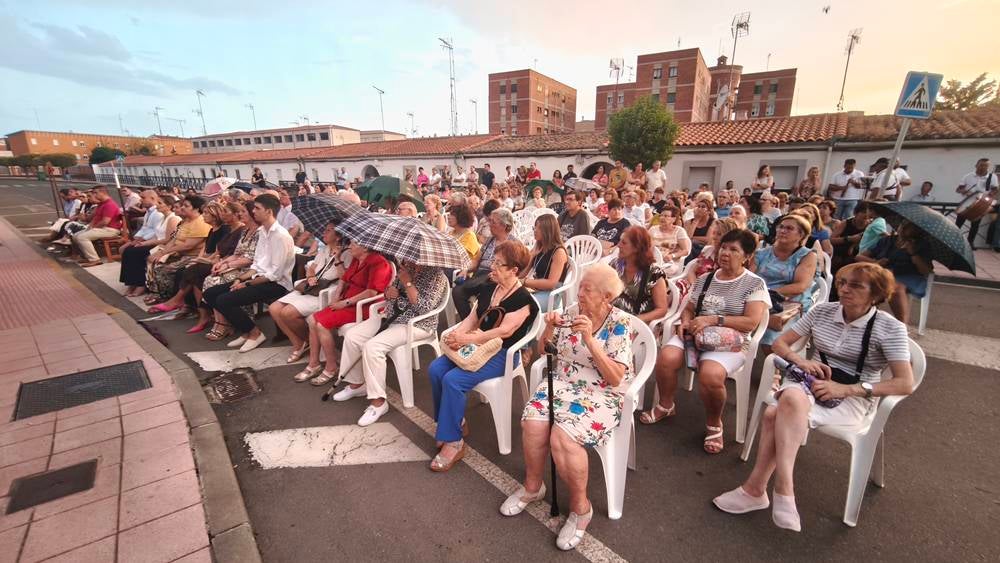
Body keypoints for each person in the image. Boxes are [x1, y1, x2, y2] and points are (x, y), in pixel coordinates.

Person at [713, 263, 913, 532]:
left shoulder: (890, 328)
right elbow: (781, 343)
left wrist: (847, 389)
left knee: (774, 413)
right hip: (809, 384)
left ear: (876, 295)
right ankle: (782, 489)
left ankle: (758, 489)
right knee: (791, 399)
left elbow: (905, 382)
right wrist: (800, 360)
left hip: (854, 398)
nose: (844, 289)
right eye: (842, 282)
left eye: (855, 285)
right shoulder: (823, 311)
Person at [502, 263, 633, 550]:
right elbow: (543, 350)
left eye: (588, 289)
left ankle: (581, 508)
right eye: (581, 285)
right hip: (563, 383)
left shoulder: (620, 323)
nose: (579, 292)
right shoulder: (572, 311)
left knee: (563, 437)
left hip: (600, 394)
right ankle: (533, 488)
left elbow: (614, 379)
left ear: (606, 297)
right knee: (533, 423)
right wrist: (548, 326)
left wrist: (589, 339)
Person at [643, 229, 771, 455]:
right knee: (666, 357)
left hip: (730, 342)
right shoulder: (706, 278)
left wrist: (714, 319)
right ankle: (666, 404)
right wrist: (684, 321)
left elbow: (751, 322)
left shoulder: (754, 284)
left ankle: (714, 423)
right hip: (697, 334)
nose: (725, 253)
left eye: (734, 250)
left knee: (710, 374)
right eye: (724, 247)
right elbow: (690, 308)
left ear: (747, 256)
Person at [429, 241, 539, 470]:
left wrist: (466, 339)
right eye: (494, 261)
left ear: (514, 270)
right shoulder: (491, 287)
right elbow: (472, 317)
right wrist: (457, 333)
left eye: (499, 264)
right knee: (436, 369)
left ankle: (454, 441)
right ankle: (454, 422)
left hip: (502, 354)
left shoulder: (524, 301)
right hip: (477, 346)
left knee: (453, 380)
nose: (493, 267)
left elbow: (503, 332)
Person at [333, 262, 449, 426]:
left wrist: (408, 283)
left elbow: (425, 308)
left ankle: (379, 403)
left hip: (416, 324)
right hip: (390, 317)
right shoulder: (406, 268)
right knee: (352, 336)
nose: (408, 258)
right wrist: (389, 292)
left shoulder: (436, 275)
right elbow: (388, 293)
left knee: (373, 347)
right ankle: (357, 383)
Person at [202, 194, 296, 353]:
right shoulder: (263, 232)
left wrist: (246, 283)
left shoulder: (280, 235)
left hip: (276, 284)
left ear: (269, 211)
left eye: (257, 208)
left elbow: (274, 274)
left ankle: (255, 333)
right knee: (211, 293)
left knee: (225, 300)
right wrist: (240, 279)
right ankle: (247, 331)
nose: (253, 211)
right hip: (258, 278)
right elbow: (257, 264)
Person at [296, 240, 392, 384]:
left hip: (364, 306)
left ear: (365, 246)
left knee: (321, 324)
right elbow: (344, 278)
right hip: (348, 301)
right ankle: (314, 363)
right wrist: (336, 296)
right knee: (311, 320)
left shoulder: (379, 263)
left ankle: (331, 367)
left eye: (353, 244)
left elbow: (372, 292)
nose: (350, 246)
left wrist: (345, 302)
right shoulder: (357, 259)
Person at [270, 223, 349, 362]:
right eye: (325, 229)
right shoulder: (324, 249)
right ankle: (299, 343)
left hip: (326, 291)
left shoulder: (347, 253)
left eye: (328, 231)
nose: (323, 233)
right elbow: (312, 267)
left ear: (338, 237)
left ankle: (313, 343)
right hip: (312, 287)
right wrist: (311, 276)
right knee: (274, 308)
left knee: (287, 313)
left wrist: (338, 258)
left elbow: (346, 279)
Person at [147, 201, 236, 314]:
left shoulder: (224, 229)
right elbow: (204, 246)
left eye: (206, 213)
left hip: (215, 260)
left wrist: (201, 259)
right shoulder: (207, 228)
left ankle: (185, 304)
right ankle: (185, 303)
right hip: (203, 258)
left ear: (214, 216)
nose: (203, 215)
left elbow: (218, 251)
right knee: (183, 270)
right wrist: (164, 252)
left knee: (187, 271)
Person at [754, 214, 818, 346]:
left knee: (770, 336)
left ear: (800, 235)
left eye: (789, 228)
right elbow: (749, 277)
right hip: (761, 300)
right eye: (781, 227)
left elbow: (800, 286)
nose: (783, 230)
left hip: (790, 302)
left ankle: (777, 363)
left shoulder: (807, 255)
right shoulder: (762, 253)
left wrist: (769, 293)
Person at [201, 202, 262, 341]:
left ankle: (223, 323)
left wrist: (228, 264)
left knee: (213, 281)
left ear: (252, 215)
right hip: (238, 265)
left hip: (250, 269)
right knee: (211, 278)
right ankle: (221, 321)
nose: (240, 214)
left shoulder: (259, 232)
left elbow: (250, 258)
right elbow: (237, 253)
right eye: (239, 211)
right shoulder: (246, 231)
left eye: (243, 212)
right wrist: (222, 263)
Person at [857, 222, 932, 324]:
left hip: (910, 276)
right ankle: (864, 319)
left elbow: (925, 271)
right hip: (885, 273)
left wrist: (913, 253)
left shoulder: (922, 245)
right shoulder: (887, 241)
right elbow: (859, 257)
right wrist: (876, 262)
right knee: (865, 284)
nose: (904, 228)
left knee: (896, 288)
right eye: (903, 224)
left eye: (909, 227)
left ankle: (902, 326)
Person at [145, 195, 211, 304]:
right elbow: (173, 239)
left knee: (165, 269)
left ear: (195, 208)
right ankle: (158, 293)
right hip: (178, 253)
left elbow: (188, 245)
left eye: (186, 206)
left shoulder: (200, 222)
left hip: (191, 255)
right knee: (153, 261)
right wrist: (162, 253)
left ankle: (170, 298)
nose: (182, 208)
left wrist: (164, 252)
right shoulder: (184, 221)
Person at [453, 207, 513, 319]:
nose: (489, 224)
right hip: (480, 275)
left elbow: (513, 269)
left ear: (504, 226)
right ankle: (467, 322)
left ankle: (480, 326)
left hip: (496, 277)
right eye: (489, 221)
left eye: (493, 222)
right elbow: (476, 260)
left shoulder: (512, 243)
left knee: (486, 294)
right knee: (457, 291)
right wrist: (466, 269)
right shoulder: (490, 240)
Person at [119, 194, 178, 297]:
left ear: (169, 206)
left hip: (163, 245)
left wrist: (146, 243)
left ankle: (141, 284)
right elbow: (156, 235)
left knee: (135, 253)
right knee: (129, 251)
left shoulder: (172, 219)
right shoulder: (162, 218)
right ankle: (131, 283)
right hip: (156, 242)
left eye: (160, 203)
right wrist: (143, 242)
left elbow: (167, 239)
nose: (157, 205)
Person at [610, 227, 670, 325]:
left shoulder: (654, 274)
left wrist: (634, 320)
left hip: (637, 323)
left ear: (637, 247)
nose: (618, 245)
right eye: (620, 241)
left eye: (624, 243)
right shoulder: (615, 265)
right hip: (613, 318)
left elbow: (662, 309)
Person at [523, 215, 569, 313]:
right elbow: (522, 274)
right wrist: (531, 256)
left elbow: (551, 283)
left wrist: (524, 282)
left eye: (539, 228)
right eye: (535, 227)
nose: (535, 230)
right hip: (536, 288)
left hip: (551, 294)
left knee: (522, 306)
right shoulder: (539, 247)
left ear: (548, 230)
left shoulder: (558, 252)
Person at [72, 186, 123, 267]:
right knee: (75, 236)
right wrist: (90, 226)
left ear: (102, 192)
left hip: (110, 229)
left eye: (96, 193)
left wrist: (93, 228)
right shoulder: (101, 204)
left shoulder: (110, 204)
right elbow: (94, 218)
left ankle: (94, 259)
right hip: (102, 228)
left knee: (82, 237)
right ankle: (87, 256)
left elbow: (105, 221)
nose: (94, 195)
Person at [955, 158, 998, 249]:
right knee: (958, 224)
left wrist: (990, 195)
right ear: (976, 165)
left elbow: (995, 189)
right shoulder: (968, 176)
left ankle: (970, 243)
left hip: (981, 203)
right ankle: (954, 241)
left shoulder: (992, 177)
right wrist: (965, 191)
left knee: (975, 224)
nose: (983, 167)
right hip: (966, 203)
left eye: (986, 166)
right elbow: (958, 189)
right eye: (981, 165)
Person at [829, 201, 872, 272]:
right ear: (856, 213)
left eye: (869, 212)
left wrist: (855, 245)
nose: (866, 215)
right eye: (863, 212)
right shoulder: (846, 223)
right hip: (840, 252)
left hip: (858, 254)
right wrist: (849, 239)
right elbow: (831, 240)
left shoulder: (871, 226)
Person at [650, 206, 691, 270]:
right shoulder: (653, 229)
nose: (662, 218)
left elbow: (685, 251)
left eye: (666, 216)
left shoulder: (679, 231)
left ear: (673, 219)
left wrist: (672, 256)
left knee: (657, 271)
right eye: (661, 215)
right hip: (653, 259)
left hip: (669, 262)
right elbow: (646, 246)